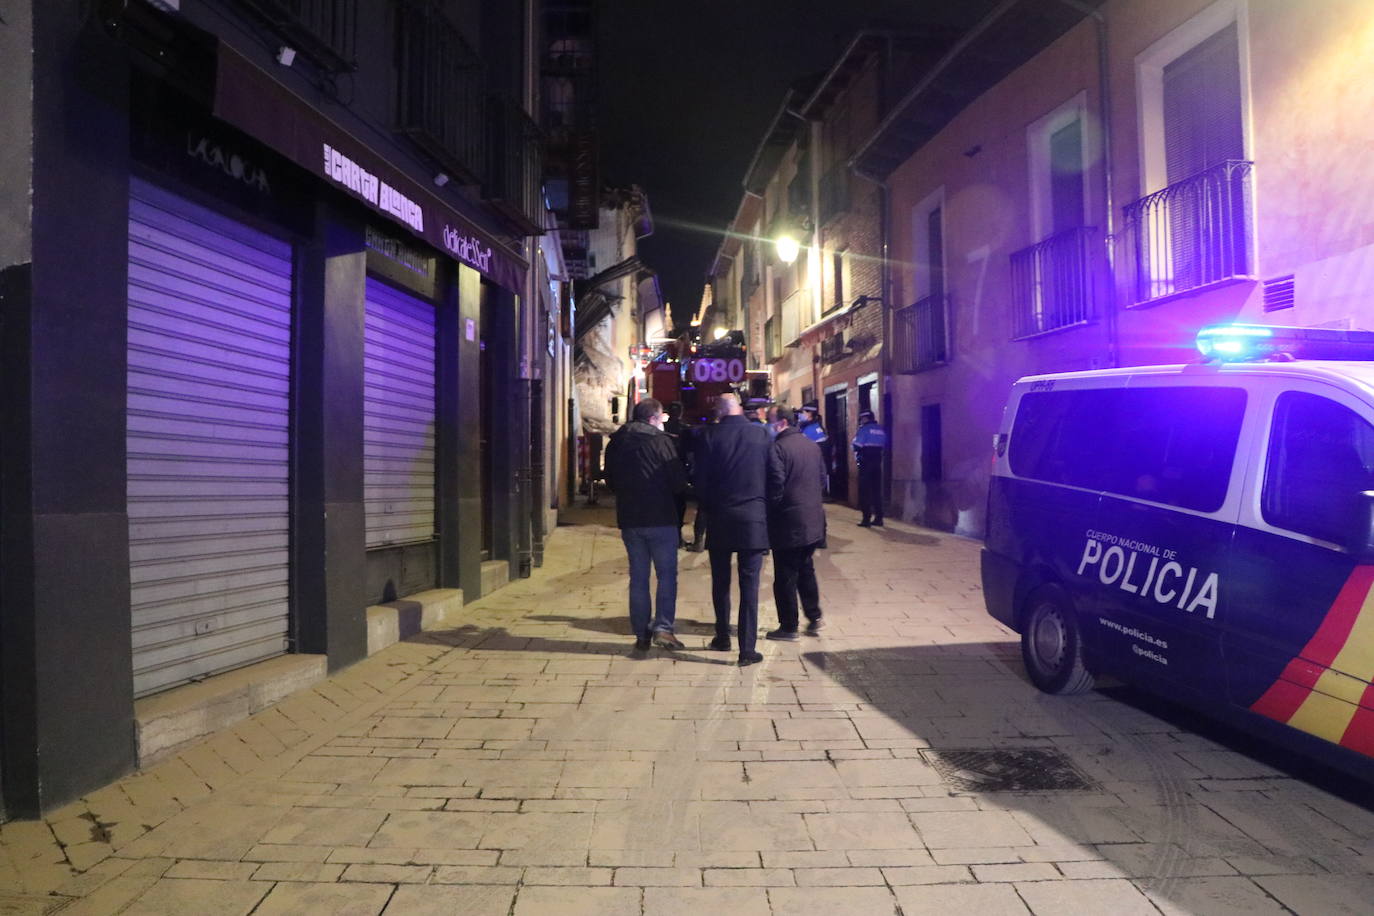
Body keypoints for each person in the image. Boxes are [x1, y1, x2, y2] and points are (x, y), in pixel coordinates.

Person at [603, 398, 688, 651]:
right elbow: (677, 483)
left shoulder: (617, 442)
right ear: (653, 418)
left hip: (630, 518)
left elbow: (610, 481)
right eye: (662, 417)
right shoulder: (661, 442)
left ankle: (641, 633)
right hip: (661, 518)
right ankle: (663, 628)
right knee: (666, 576)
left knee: (638, 576)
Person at [692, 393, 770, 666]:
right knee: (750, 587)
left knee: (721, 582)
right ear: (738, 408)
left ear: (720, 411)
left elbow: (699, 481)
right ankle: (747, 650)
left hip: (720, 518)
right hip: (753, 520)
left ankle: (722, 636)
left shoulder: (708, 437)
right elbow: (775, 476)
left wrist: (709, 506)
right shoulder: (761, 435)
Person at [765, 407, 826, 640]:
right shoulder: (812, 446)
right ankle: (814, 616)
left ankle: (789, 626)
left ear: (781, 423)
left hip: (788, 523)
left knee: (785, 575)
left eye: (771, 422)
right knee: (806, 569)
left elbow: (776, 486)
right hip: (812, 521)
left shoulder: (777, 448)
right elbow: (822, 480)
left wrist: (771, 511)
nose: (770, 426)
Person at [852, 409, 888, 527]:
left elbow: (857, 446)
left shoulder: (864, 430)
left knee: (864, 492)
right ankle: (879, 518)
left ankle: (866, 519)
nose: (861, 421)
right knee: (876, 491)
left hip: (865, 463)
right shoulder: (880, 429)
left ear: (865, 418)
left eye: (861, 419)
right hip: (877, 463)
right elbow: (885, 445)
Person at [663, 402, 689, 545]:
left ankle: (670, 535)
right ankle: (677, 536)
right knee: (679, 505)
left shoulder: (662, 429)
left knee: (668, 504)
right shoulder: (685, 429)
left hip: (664, 471)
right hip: (680, 470)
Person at [798, 402, 832, 494]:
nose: (800, 415)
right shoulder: (818, 427)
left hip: (811, 469)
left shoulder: (809, 430)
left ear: (809, 414)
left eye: (802, 412)